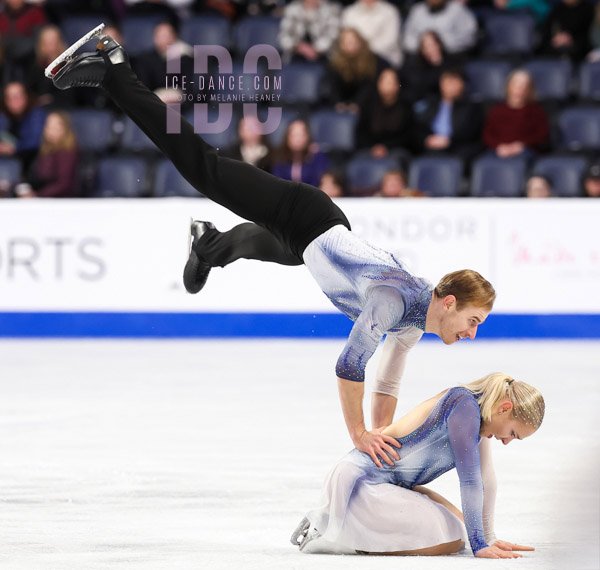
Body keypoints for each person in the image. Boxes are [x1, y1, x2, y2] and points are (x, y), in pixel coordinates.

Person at [49, 27, 496, 466]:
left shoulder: (418, 318)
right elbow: (350, 365)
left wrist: (382, 438)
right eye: (473, 320)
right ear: (450, 301)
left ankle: (207, 245)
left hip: (311, 239)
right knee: (200, 165)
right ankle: (114, 68)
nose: (473, 333)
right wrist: (359, 435)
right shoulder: (392, 301)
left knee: (253, 243)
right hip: (301, 215)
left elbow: (388, 381)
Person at [292, 373, 544, 558]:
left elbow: (486, 478)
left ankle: (348, 525)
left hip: (387, 484)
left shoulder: (480, 418)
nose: (507, 442)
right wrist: (480, 546)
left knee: (461, 529)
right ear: (505, 408)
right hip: (362, 483)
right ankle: (339, 533)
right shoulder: (465, 407)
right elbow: (470, 481)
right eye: (513, 433)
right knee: (451, 541)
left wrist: (488, 538)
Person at [414, 68, 482, 163]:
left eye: (453, 81)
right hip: (432, 145)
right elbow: (420, 126)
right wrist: (427, 139)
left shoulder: (471, 106)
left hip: (457, 147)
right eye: (446, 81)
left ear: (462, 84)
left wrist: (448, 141)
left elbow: (470, 133)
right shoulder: (431, 103)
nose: (449, 85)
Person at [482, 70, 549, 161]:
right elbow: (488, 135)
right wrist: (499, 147)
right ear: (509, 86)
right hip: (498, 150)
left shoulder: (536, 111)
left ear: (529, 89)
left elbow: (541, 135)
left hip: (525, 151)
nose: (520, 89)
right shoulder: (496, 111)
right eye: (516, 84)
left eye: (524, 85)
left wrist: (521, 145)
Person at [15, 111, 79, 198]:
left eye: (56, 125)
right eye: (48, 124)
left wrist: (37, 195)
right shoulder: (45, 151)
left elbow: (64, 184)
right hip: (46, 199)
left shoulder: (67, 152)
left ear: (65, 127)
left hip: (63, 201)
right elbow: (39, 179)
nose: (50, 128)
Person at [326, 28, 389, 113]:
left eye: (352, 41)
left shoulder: (373, 61)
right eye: (346, 41)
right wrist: (337, 103)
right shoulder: (335, 63)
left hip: (367, 106)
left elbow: (369, 87)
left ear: (360, 42)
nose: (349, 44)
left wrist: (358, 104)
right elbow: (332, 87)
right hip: (341, 105)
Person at [355, 68, 414, 157]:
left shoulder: (406, 105)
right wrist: (373, 147)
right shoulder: (369, 104)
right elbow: (361, 132)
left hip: (396, 149)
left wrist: (387, 147)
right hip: (370, 148)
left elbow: (408, 135)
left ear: (398, 84)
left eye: (392, 81)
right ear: (378, 84)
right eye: (385, 81)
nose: (389, 85)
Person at [403, 0, 477, 58]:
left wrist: (440, 45)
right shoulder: (417, 10)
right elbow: (407, 39)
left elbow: (469, 38)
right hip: (422, 59)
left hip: (452, 56)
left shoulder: (458, 9)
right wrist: (426, 47)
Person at [341, 0, 403, 68]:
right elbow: (347, 39)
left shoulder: (390, 11)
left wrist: (364, 50)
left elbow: (390, 41)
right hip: (355, 60)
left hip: (385, 59)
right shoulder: (349, 13)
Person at [278, 0, 342, 64]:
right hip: (294, 55)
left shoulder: (332, 9)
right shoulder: (292, 9)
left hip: (324, 57)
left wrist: (315, 49)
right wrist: (299, 47)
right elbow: (283, 37)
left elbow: (332, 35)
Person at [271, 119, 329, 187]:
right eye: (294, 135)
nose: (298, 139)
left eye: (302, 135)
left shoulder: (317, 156)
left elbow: (319, 181)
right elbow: (277, 182)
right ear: (287, 137)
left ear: (308, 137)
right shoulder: (280, 158)